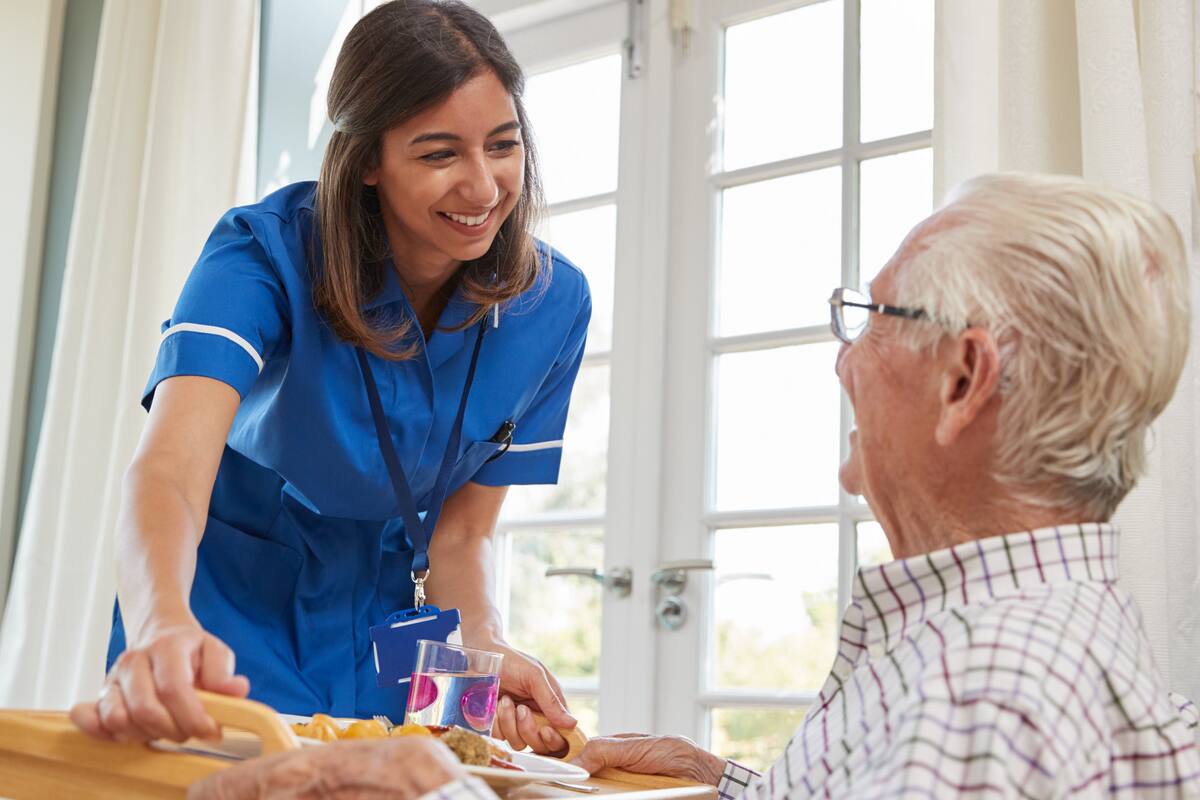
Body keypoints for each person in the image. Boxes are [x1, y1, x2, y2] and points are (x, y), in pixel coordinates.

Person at [184, 173, 1200, 799]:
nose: (843, 362)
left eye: (874, 318)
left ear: (964, 379)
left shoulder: (983, 693)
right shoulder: (1019, 641)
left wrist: (437, 785)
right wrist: (729, 782)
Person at [70, 0, 586, 755]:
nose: (483, 188)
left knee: (434, 779)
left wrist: (484, 644)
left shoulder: (554, 303)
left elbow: (461, 533)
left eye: (503, 145)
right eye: (439, 154)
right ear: (368, 159)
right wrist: (160, 625)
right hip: (224, 620)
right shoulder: (261, 254)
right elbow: (170, 470)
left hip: (396, 633)